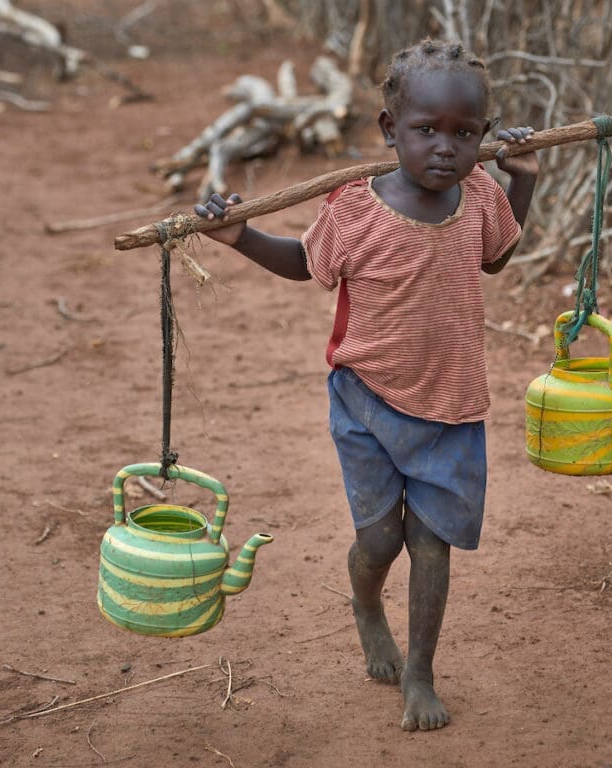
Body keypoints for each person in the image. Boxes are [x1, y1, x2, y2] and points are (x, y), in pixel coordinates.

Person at [195, 38, 539, 731]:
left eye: (465, 133)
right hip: (366, 402)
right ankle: (365, 603)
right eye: (425, 130)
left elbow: (497, 261)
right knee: (382, 542)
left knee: (432, 543)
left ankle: (420, 672)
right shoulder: (356, 207)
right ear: (390, 129)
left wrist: (521, 177)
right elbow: (304, 263)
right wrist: (240, 238)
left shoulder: (476, 196)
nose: (446, 148)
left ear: (481, 135)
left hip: (451, 406)